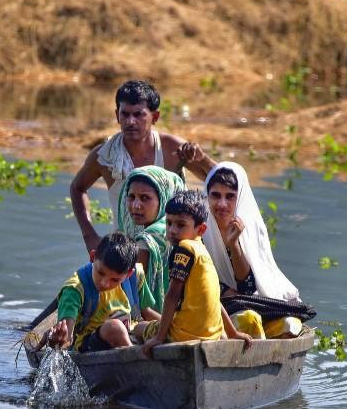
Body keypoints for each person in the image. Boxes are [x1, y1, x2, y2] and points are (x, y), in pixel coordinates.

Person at [70, 79, 216, 252]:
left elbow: (221, 180)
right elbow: (77, 188)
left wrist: (202, 158)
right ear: (117, 115)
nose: (131, 121)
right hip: (126, 253)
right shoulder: (106, 156)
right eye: (125, 114)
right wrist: (90, 236)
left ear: (154, 117)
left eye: (138, 115)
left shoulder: (171, 149)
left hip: (173, 250)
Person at [135, 190, 252, 357]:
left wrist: (159, 338)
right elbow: (215, 300)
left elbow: (172, 295)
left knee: (139, 327)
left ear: (201, 229)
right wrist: (233, 334)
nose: (172, 230)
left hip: (182, 334)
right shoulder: (203, 251)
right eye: (169, 223)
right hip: (212, 336)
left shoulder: (184, 248)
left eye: (180, 225)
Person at [202, 161, 305, 339]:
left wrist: (233, 244)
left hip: (250, 301)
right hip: (211, 302)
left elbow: (247, 287)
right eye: (216, 196)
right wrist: (225, 291)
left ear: (239, 197)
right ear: (207, 196)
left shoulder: (250, 229)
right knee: (249, 320)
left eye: (230, 196)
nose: (222, 204)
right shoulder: (198, 227)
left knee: (290, 324)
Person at [38, 232, 160, 353]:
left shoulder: (135, 276)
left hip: (130, 333)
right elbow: (67, 340)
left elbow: (146, 312)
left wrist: (169, 325)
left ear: (128, 274)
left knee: (154, 327)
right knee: (115, 328)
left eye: (115, 280)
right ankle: (135, 360)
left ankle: (133, 351)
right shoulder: (75, 289)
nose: (104, 283)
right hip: (90, 342)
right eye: (101, 273)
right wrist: (57, 339)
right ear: (92, 257)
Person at [118, 165, 185, 312]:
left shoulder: (147, 241)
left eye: (145, 198)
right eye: (131, 197)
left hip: (154, 319)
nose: (136, 205)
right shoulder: (183, 228)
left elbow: (133, 295)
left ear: (163, 199)